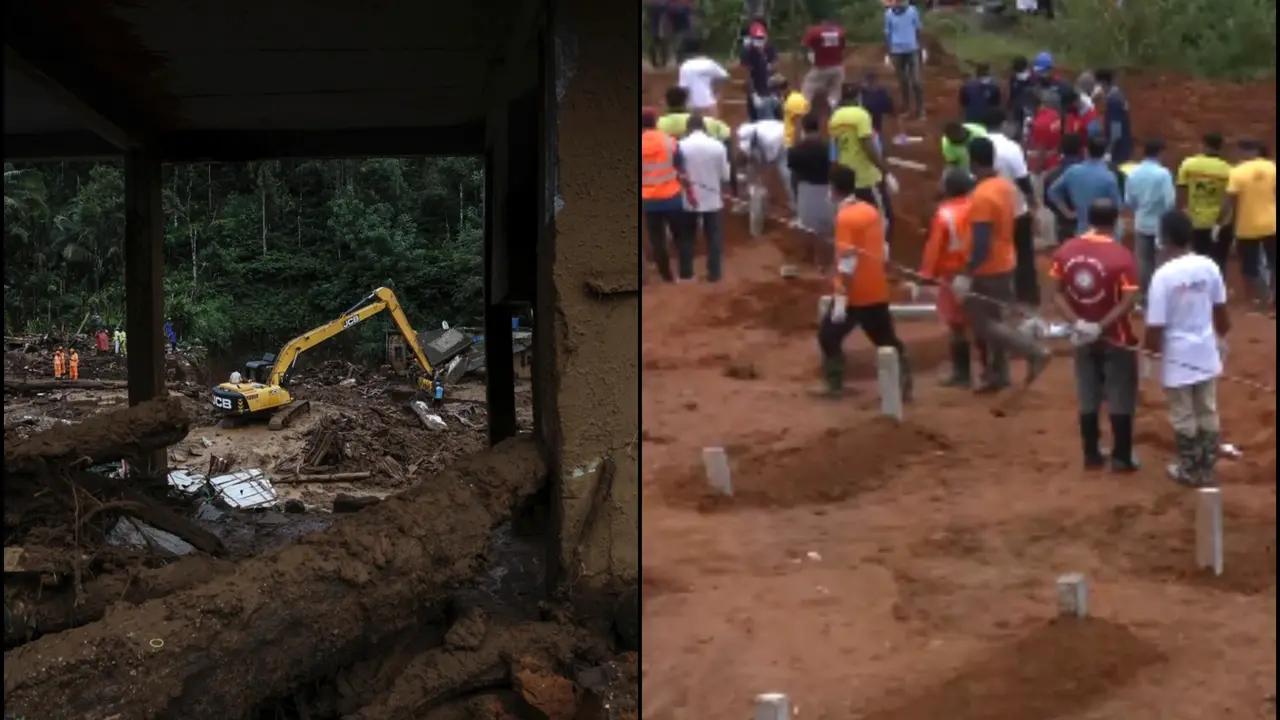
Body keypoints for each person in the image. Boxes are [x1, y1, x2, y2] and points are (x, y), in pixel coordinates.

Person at [951, 137, 1052, 392]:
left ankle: (1033, 351)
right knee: (997, 320)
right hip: (1006, 260)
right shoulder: (1005, 186)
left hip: (988, 267)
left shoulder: (982, 196)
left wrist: (967, 271)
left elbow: (982, 242)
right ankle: (999, 375)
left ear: (973, 162)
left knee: (983, 323)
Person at [1049, 200, 1142, 471]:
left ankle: (1091, 453)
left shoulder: (1065, 251)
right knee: (1120, 395)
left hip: (1082, 337)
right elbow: (1129, 299)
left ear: (1089, 219)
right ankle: (1122, 457)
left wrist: (1078, 323)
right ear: (1115, 221)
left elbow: (1056, 292)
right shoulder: (1122, 256)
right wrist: (1101, 326)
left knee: (1087, 393)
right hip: (1116, 337)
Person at [1144, 210, 1231, 486]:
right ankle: (1206, 466)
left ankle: (1191, 470)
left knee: (1184, 415)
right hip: (1205, 350)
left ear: (1165, 238)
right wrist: (1222, 338)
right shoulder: (1209, 266)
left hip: (1177, 357)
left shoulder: (1163, 276)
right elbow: (1221, 312)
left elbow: (1155, 326)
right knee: (1207, 409)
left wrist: (1150, 355)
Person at [815, 165, 912, 400]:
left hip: (853, 293)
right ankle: (904, 384)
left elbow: (848, 260)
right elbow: (882, 247)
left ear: (834, 189)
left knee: (828, 336)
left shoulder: (845, 218)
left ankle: (835, 385)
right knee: (885, 339)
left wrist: (842, 298)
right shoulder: (869, 210)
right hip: (875, 289)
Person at [920, 169, 978, 387]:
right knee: (982, 322)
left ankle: (962, 374)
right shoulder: (978, 207)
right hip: (980, 271)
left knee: (957, 326)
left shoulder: (944, 214)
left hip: (953, 275)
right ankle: (990, 370)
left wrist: (927, 275)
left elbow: (934, 248)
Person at [981, 108, 1040, 307]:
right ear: (1003, 123)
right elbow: (1023, 179)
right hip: (1016, 209)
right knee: (1023, 254)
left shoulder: (977, 145)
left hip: (989, 210)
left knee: (996, 253)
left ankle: (999, 299)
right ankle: (1027, 297)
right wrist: (1033, 201)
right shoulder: (1011, 147)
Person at [830, 87, 895, 243]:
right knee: (884, 217)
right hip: (866, 176)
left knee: (854, 215)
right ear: (857, 97)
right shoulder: (861, 115)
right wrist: (885, 171)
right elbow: (868, 146)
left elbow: (837, 147)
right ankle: (881, 248)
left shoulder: (835, 118)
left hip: (847, 175)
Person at [1219, 140, 1277, 309]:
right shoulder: (1272, 167)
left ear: (1243, 151)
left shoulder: (1237, 172)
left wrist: (1221, 221)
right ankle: (1273, 300)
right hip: (1271, 223)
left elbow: (1229, 201)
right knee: (1273, 263)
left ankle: (1259, 299)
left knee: (1249, 266)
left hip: (1247, 225)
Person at [642, 107, 692, 283]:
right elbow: (681, 169)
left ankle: (667, 277)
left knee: (657, 241)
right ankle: (686, 274)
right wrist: (689, 188)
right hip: (672, 198)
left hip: (649, 202)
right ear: (655, 122)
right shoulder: (670, 142)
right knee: (681, 237)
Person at [658, 87, 737, 198]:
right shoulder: (705, 121)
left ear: (666, 102)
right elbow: (725, 133)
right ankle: (733, 190)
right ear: (686, 102)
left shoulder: (659, 124)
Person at [679, 114, 731, 282]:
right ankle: (714, 273)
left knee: (686, 237)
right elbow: (725, 175)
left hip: (687, 198)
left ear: (688, 128)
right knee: (714, 236)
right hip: (712, 198)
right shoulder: (718, 146)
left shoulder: (680, 146)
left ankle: (686, 272)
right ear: (704, 128)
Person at [1123, 139, 1176, 305]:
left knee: (1143, 261)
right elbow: (1170, 202)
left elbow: (1129, 200)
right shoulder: (1163, 174)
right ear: (1160, 153)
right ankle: (1159, 297)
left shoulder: (1133, 173)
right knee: (1160, 261)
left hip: (1141, 222)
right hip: (1160, 225)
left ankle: (1143, 297)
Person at [1175, 132, 1233, 272]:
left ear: (1203, 145)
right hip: (1217, 224)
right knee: (1218, 261)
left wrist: (1183, 212)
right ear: (1220, 148)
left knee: (1194, 260)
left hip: (1194, 221)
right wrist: (1221, 221)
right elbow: (1229, 198)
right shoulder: (1228, 169)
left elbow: (1181, 191)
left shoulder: (1189, 164)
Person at [1048, 134, 1123, 237]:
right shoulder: (1109, 177)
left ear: (1086, 151)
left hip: (1082, 229)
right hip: (1103, 233)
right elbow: (1117, 208)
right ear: (1104, 154)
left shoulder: (1073, 171)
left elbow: (1052, 192)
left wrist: (1067, 212)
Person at [788, 113, 836, 271]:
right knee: (826, 226)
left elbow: (794, 175)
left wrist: (795, 193)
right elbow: (835, 168)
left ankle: (808, 257)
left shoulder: (795, 150)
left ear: (803, 128)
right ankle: (823, 262)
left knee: (807, 225)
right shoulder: (828, 147)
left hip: (805, 189)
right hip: (826, 188)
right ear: (818, 127)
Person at [738, 112, 791, 212]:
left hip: (783, 143)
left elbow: (767, 164)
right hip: (768, 136)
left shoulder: (770, 140)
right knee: (751, 169)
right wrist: (744, 173)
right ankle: (746, 200)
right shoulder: (744, 131)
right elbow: (744, 154)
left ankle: (795, 206)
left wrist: (761, 183)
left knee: (786, 174)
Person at [883, 0, 925, 120]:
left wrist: (922, 47)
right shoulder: (889, 14)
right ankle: (907, 108)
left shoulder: (912, 11)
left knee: (916, 81)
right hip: (897, 51)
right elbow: (887, 33)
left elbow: (918, 29)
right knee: (903, 82)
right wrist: (888, 52)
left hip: (912, 49)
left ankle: (921, 109)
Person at [1043, 132, 1085, 245]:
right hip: (1087, 224)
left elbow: (1047, 202)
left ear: (1061, 150)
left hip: (1062, 224)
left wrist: (1065, 212)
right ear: (1082, 149)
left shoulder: (1051, 175)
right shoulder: (1090, 174)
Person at [800, 14, 847, 108]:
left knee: (808, 88)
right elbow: (842, 47)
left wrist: (808, 58)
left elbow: (804, 45)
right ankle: (832, 110)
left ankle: (804, 111)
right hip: (837, 67)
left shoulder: (815, 32)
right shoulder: (839, 31)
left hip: (821, 67)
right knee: (835, 92)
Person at [677, 39, 729, 117]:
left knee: (693, 128)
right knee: (712, 127)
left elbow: (684, 89)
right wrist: (717, 93)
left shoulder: (685, 66)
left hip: (692, 106)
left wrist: (682, 107)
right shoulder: (709, 63)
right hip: (709, 104)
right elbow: (724, 76)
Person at [739, 22, 779, 122]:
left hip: (769, 89)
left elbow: (776, 65)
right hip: (756, 89)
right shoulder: (747, 51)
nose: (759, 41)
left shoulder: (769, 48)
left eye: (761, 38)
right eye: (757, 38)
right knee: (756, 117)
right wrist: (753, 94)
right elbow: (746, 74)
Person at [1093, 69, 1133, 165]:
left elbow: (1116, 128)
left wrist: (1109, 151)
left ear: (1102, 83)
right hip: (1123, 143)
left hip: (1118, 149)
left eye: (1097, 84)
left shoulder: (1113, 100)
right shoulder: (1116, 93)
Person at [1007, 56, 1035, 140]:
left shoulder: (1032, 79)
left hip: (1029, 109)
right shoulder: (1014, 79)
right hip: (1017, 109)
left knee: (1028, 130)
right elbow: (1012, 93)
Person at [646, 0, 670, 69]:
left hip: (661, 26)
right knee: (656, 45)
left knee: (663, 45)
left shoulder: (664, 5)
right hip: (655, 27)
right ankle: (657, 63)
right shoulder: (654, 5)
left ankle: (662, 62)